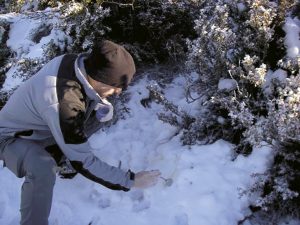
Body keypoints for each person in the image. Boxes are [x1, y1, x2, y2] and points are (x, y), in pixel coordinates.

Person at [0, 40, 161, 225]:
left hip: (43, 128)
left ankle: (60, 155)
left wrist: (98, 106)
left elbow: (82, 98)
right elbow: (83, 161)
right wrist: (130, 180)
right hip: (11, 137)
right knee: (43, 167)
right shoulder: (64, 103)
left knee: (102, 115)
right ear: (99, 78)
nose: (118, 92)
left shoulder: (78, 64)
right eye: (116, 86)